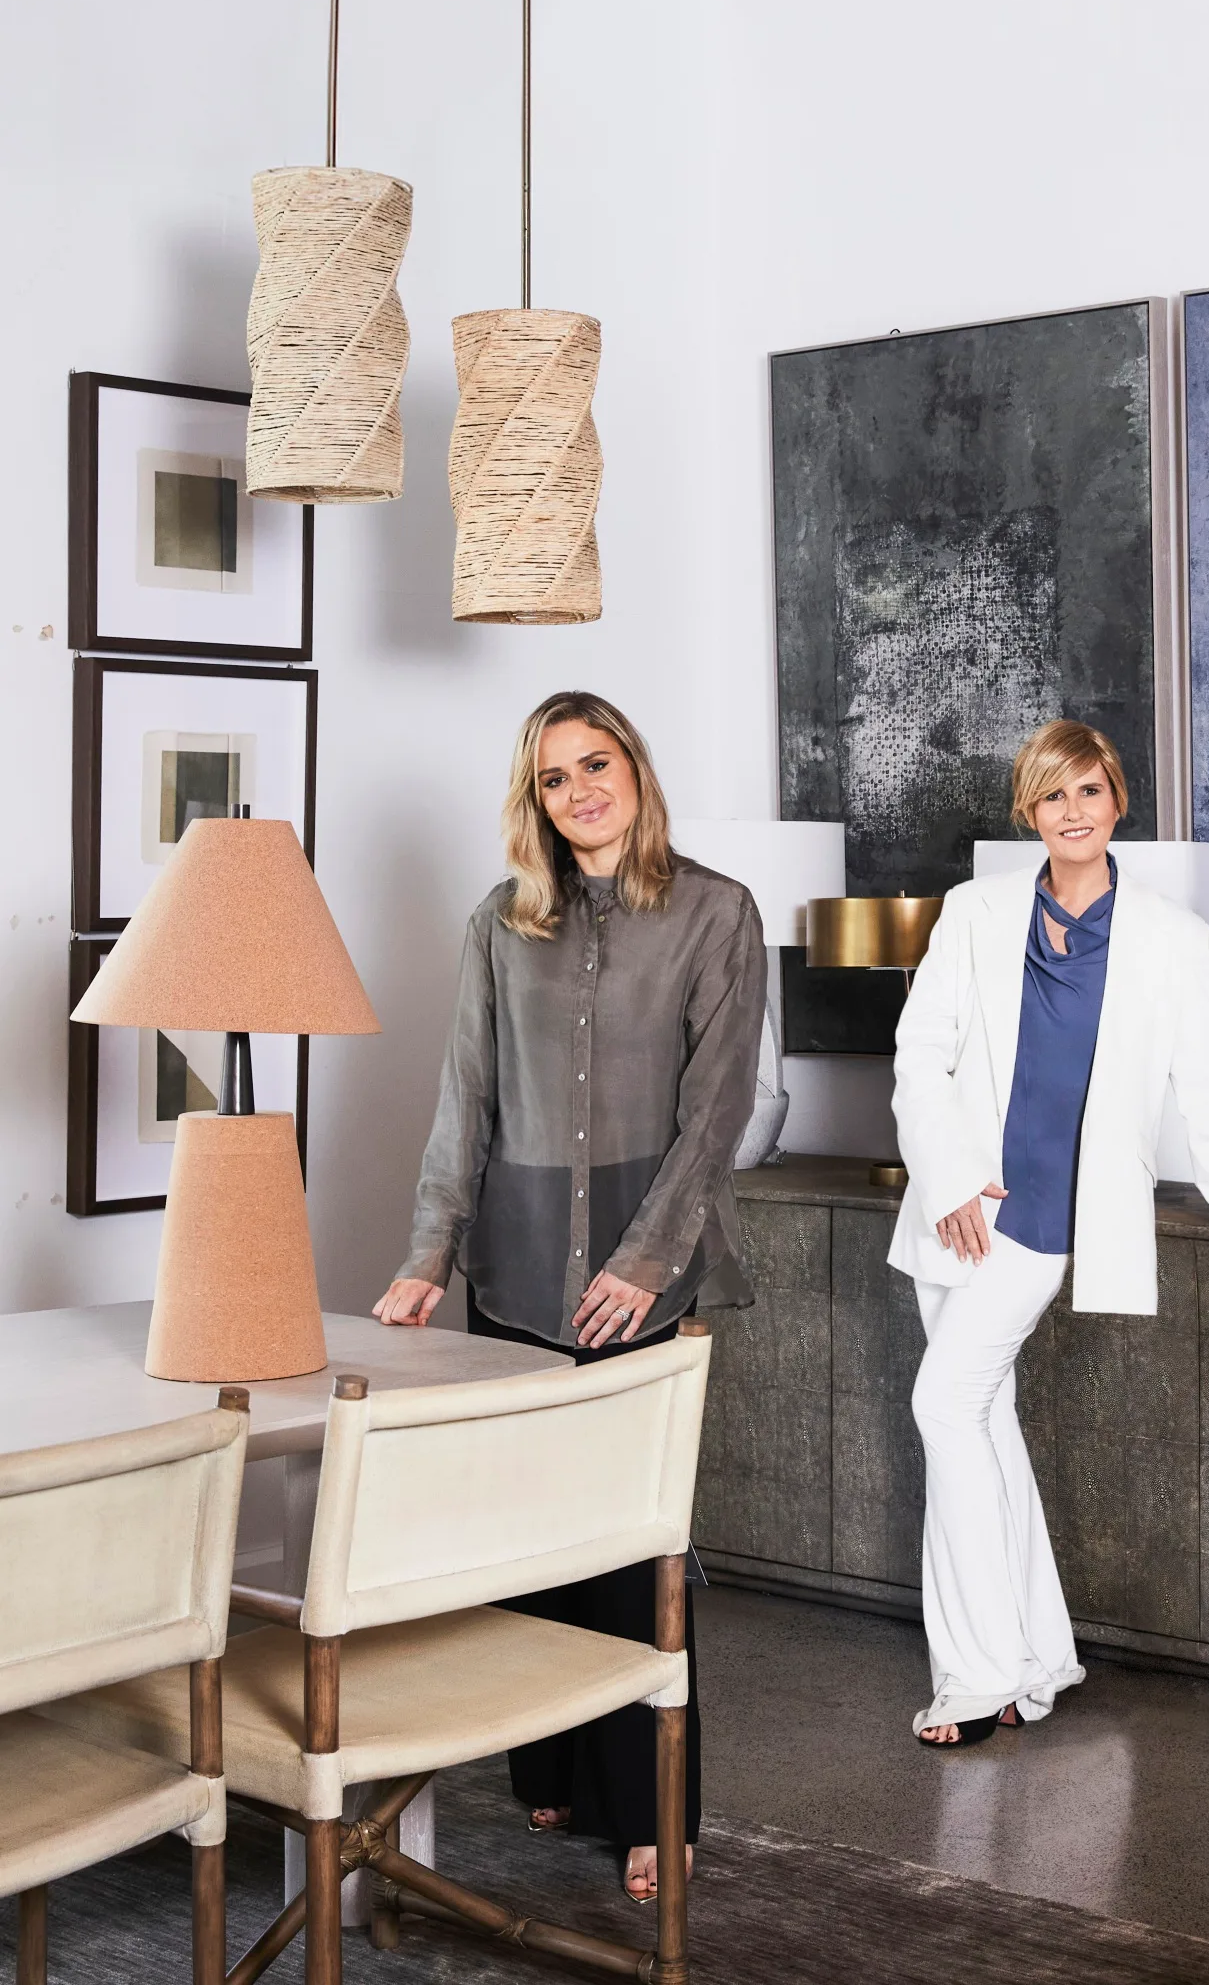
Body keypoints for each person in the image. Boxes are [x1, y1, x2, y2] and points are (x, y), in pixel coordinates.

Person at [890, 718, 1209, 1746]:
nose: (1073, 811)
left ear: (1118, 801)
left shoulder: (1168, 937)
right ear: (1030, 808)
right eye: (1053, 795)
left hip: (1049, 1216)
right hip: (955, 1209)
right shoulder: (975, 912)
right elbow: (919, 1054)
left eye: (1090, 791)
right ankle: (1035, 1656)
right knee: (984, 1424)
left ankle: (972, 1679)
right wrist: (952, 1179)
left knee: (943, 1402)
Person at [372, 690, 766, 1898]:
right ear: (533, 797)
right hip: (520, 1269)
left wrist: (646, 1259)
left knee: (638, 1544)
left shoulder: (717, 911)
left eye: (597, 764)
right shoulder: (503, 921)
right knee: (529, 1542)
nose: (580, 789)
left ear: (635, 772)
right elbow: (466, 1100)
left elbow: (717, 1109)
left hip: (643, 1272)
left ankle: (654, 1811)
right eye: (554, 776)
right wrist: (428, 1252)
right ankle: (551, 1768)